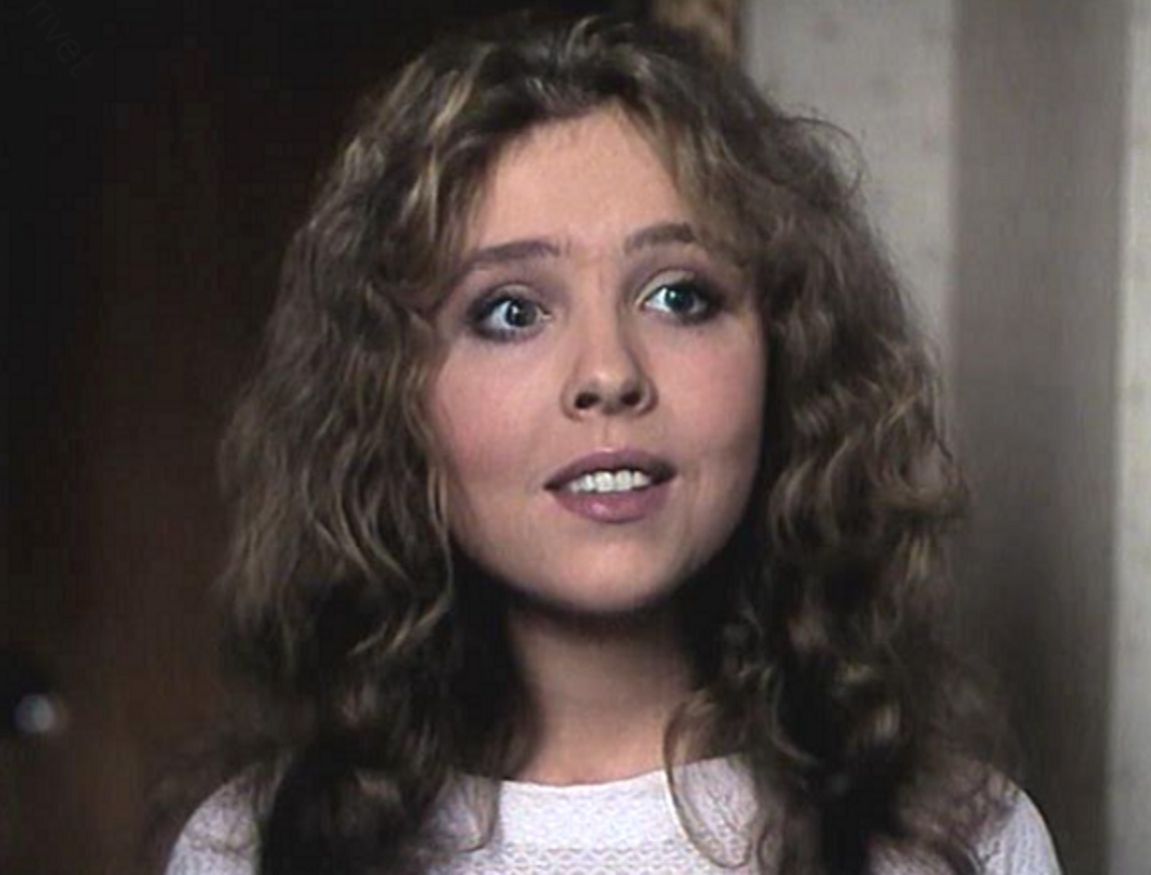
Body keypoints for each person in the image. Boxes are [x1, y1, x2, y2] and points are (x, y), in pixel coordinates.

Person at [165, 14, 1061, 875]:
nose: (607, 372)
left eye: (678, 296)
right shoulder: (252, 849)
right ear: (392, 395)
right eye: (510, 311)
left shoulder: (961, 842)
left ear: (786, 355)